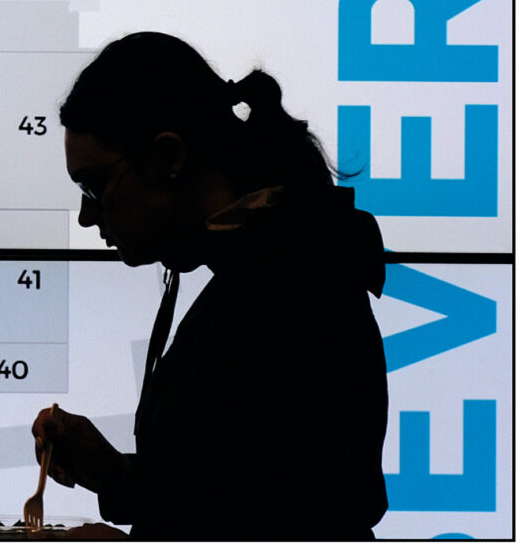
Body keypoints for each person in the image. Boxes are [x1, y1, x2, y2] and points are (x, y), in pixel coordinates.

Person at [33, 32, 388, 539]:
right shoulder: (289, 265)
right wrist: (112, 474)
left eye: (93, 185)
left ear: (169, 158)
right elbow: (237, 490)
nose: (87, 216)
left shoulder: (286, 295)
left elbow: (296, 521)